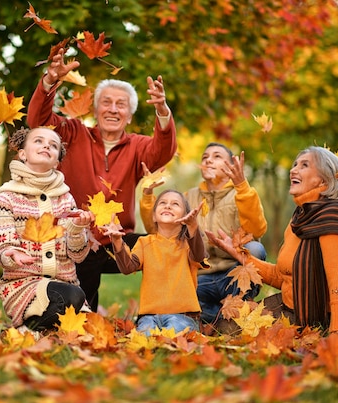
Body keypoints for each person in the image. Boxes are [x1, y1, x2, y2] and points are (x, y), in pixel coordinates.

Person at [27, 48, 177, 312]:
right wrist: (49, 83)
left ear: (129, 115)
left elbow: (162, 151)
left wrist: (163, 112)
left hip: (118, 240)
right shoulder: (72, 134)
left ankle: (160, 314)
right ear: (96, 110)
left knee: (161, 248)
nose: (113, 109)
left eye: (121, 105)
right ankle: (85, 318)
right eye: (106, 102)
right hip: (76, 239)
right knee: (81, 303)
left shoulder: (138, 146)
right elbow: (38, 122)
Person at [207, 146, 338, 333]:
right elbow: (282, 277)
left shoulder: (332, 216)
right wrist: (237, 253)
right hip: (291, 304)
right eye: (294, 164)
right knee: (225, 325)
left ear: (323, 179)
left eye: (304, 165)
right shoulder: (300, 218)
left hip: (320, 316)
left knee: (229, 331)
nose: (293, 170)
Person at [140, 143, 267, 326]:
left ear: (231, 165)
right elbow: (156, 231)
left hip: (233, 275)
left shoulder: (241, 194)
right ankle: (221, 318)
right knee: (182, 308)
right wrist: (147, 193)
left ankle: (237, 307)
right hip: (199, 280)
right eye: (205, 157)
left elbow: (257, 230)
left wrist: (242, 187)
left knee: (255, 248)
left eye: (216, 156)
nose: (208, 160)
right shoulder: (188, 198)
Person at [0, 127, 95, 332]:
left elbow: (78, 254)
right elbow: (4, 251)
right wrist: (12, 254)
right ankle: (28, 328)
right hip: (24, 287)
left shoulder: (66, 198)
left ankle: (46, 332)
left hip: (65, 282)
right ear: (22, 154)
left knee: (90, 330)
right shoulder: (7, 196)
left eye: (53, 145)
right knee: (71, 297)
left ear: (57, 161)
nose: (46, 145)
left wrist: (76, 229)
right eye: (38, 141)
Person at [102, 189, 206, 335]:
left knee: (173, 336)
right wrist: (117, 242)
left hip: (183, 316)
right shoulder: (144, 242)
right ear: (154, 217)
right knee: (144, 339)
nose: (168, 206)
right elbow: (127, 268)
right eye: (163, 203)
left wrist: (193, 226)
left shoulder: (189, 243)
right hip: (149, 317)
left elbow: (199, 256)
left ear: (185, 217)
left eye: (175, 204)